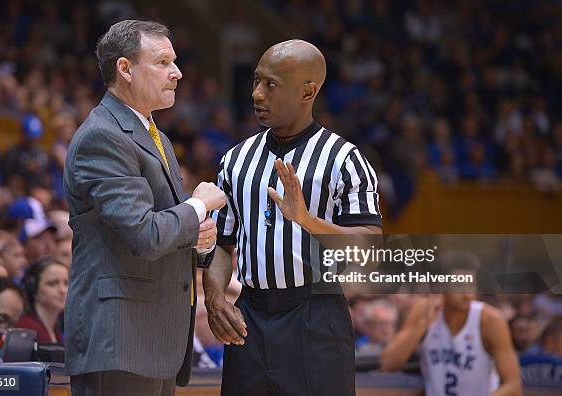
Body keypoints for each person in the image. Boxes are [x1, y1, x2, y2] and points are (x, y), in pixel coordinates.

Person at [204, 40, 382, 395]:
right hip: (250, 315)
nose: (257, 93)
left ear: (308, 91)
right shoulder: (235, 160)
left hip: (316, 313)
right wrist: (214, 297)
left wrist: (306, 219)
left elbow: (369, 247)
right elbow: (222, 244)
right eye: (256, 81)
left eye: (271, 84)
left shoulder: (344, 159)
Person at [63, 20, 226, 396]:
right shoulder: (102, 135)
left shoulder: (157, 137)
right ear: (125, 68)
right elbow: (146, 234)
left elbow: (166, 226)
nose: (177, 72)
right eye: (163, 61)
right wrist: (199, 205)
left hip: (152, 337)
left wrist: (198, 241)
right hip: (120, 339)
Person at [380, 255, 522, 396]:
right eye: (459, 285)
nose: (467, 294)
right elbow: (388, 365)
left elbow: (513, 386)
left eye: (471, 285)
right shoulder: (423, 312)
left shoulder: (490, 320)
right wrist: (421, 326)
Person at [15, 257, 68, 344]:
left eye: (66, 283)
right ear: (33, 289)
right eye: (53, 283)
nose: (62, 290)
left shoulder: (57, 333)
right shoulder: (27, 330)